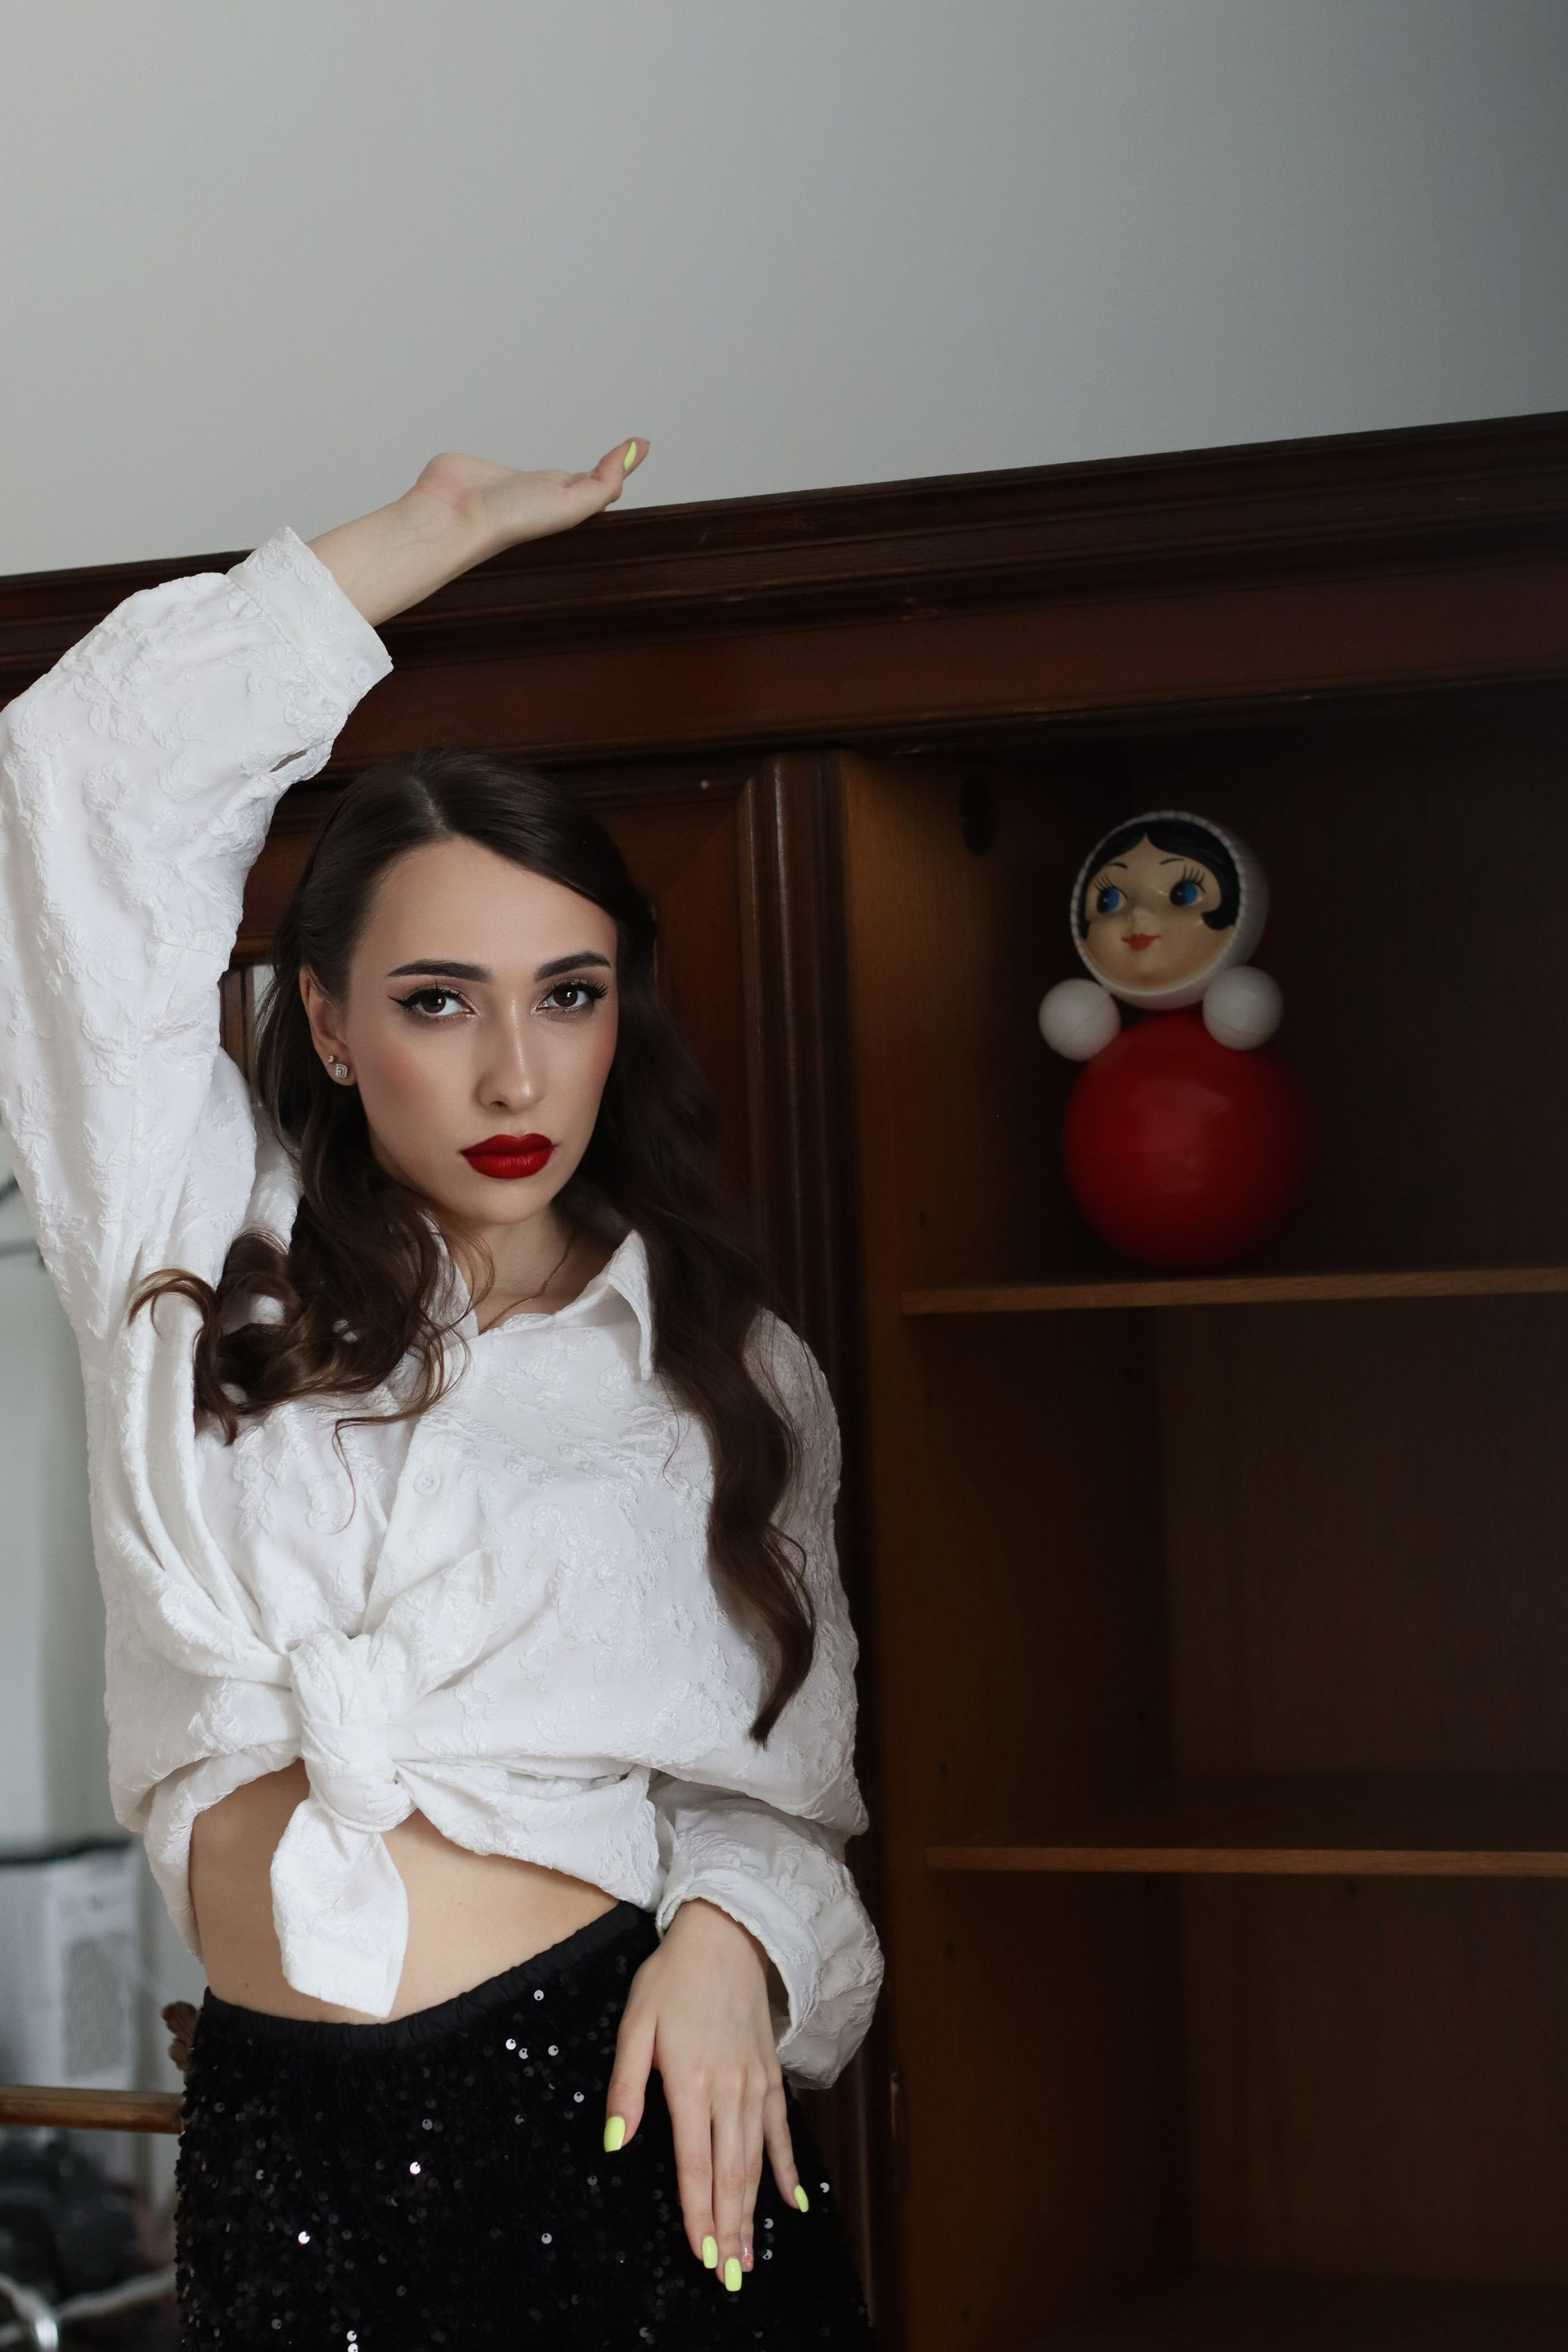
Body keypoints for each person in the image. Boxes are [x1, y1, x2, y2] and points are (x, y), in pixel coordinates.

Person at [0, 442, 882, 2347]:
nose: (512, 1076)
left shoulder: (726, 1369)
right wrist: (422, 539)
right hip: (278, 2161)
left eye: (568, 994)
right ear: (324, 1018)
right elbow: (75, 789)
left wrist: (734, 1936)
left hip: (618, 2137)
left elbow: (782, 1797)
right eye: (436, 999)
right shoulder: (183, 1230)